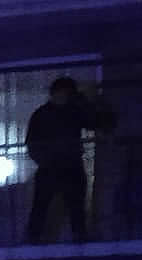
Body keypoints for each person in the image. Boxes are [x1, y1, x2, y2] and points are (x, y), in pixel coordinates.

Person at [25, 76, 112, 243]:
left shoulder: (70, 112)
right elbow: (32, 144)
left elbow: (98, 122)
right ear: (57, 93)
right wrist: (47, 160)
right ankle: (35, 239)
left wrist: (85, 104)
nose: (67, 98)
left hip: (66, 166)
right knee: (43, 207)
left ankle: (75, 239)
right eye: (67, 94)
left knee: (73, 207)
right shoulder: (45, 114)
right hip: (55, 167)